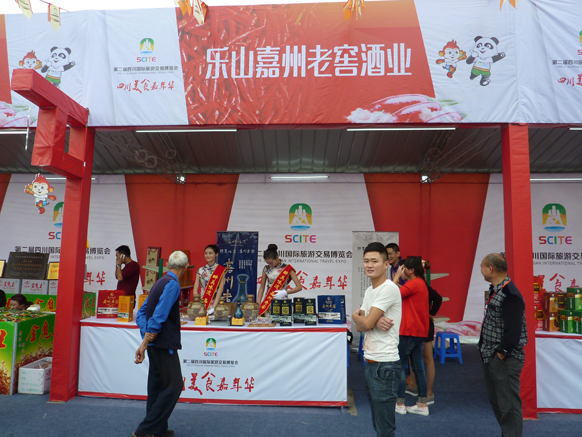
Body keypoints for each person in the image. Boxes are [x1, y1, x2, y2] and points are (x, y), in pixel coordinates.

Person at [133, 251, 190, 437]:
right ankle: (146, 429)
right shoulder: (172, 285)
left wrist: (146, 336)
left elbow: (141, 313)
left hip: (154, 344)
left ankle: (158, 429)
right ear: (186, 267)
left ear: (168, 265)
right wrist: (147, 339)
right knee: (174, 385)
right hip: (164, 344)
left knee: (156, 386)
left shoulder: (158, 283)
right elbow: (160, 315)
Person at [351, 242, 401, 437]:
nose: (369, 265)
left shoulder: (388, 288)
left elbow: (363, 321)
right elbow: (360, 328)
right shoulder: (369, 291)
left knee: (385, 429)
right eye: (366, 261)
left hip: (385, 364)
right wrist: (369, 321)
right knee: (378, 424)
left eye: (374, 261)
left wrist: (357, 316)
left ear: (386, 264)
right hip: (372, 362)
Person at [479, 253, 527, 437]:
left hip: (504, 359)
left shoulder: (510, 294)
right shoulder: (496, 290)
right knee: (498, 403)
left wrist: (501, 354)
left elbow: (513, 331)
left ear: (490, 269)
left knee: (509, 407)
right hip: (492, 356)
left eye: (482, 267)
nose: (481, 270)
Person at [392, 256, 430, 416]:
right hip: (419, 331)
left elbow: (392, 293)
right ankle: (422, 403)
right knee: (418, 368)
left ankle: (400, 403)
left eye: (404, 268)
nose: (403, 270)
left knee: (400, 366)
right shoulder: (420, 283)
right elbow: (403, 292)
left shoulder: (413, 283)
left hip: (408, 331)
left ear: (411, 270)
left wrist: (395, 277)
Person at [405, 260, 442, 405]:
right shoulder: (413, 284)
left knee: (427, 359)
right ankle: (413, 385)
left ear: (412, 270)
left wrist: (430, 313)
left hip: (424, 325)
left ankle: (429, 393)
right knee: (413, 357)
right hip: (416, 325)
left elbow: (437, 298)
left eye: (405, 268)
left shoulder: (420, 284)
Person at [257, 244, 302, 310]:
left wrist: (285, 292)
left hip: (283, 300)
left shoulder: (287, 268)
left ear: (277, 258)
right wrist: (258, 303)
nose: (270, 265)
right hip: (269, 301)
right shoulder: (266, 269)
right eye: (268, 263)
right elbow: (262, 288)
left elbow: (299, 287)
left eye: (271, 263)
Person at [193, 244, 226, 315]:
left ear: (216, 254)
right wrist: (197, 303)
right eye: (206, 253)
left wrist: (213, 308)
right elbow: (195, 289)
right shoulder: (200, 270)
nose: (207, 255)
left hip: (215, 304)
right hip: (201, 303)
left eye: (210, 253)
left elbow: (220, 289)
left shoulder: (221, 270)